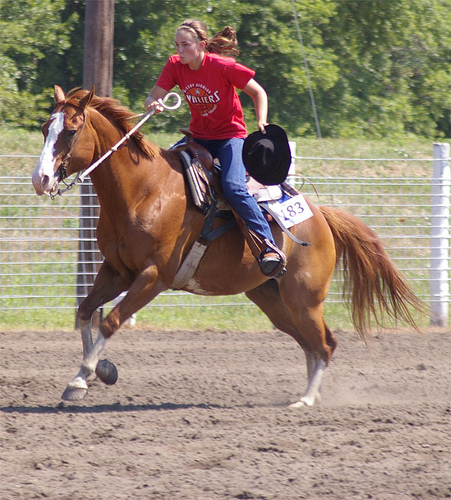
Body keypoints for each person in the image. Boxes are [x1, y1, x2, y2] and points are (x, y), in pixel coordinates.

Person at [145, 19, 286, 276]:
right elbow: (153, 96)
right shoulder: (175, 65)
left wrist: (262, 120)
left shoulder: (222, 66)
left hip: (230, 138)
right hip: (198, 138)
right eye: (177, 45)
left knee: (233, 187)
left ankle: (269, 246)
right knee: (161, 171)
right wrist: (153, 103)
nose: (180, 50)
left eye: (185, 45)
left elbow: (258, 93)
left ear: (201, 45)